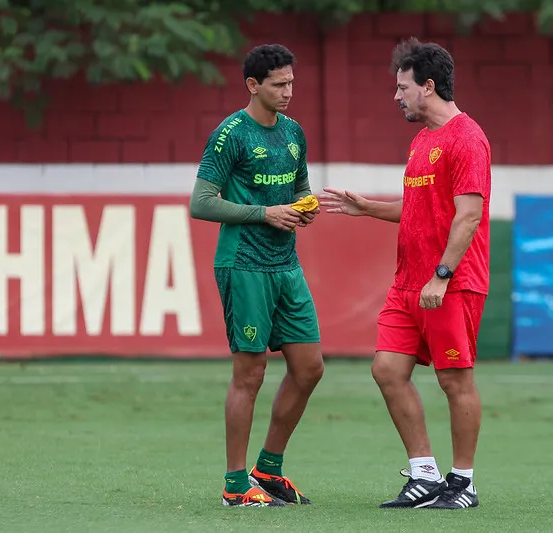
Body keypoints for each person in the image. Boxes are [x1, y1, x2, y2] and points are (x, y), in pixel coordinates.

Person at [319, 37, 491, 510]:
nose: (396, 96)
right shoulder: (421, 141)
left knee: (455, 381)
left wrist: (441, 275)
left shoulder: (467, 138)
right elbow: (419, 209)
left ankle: (463, 483)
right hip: (408, 282)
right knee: (387, 369)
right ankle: (424, 474)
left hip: (449, 282)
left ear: (428, 86)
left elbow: (468, 215)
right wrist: (366, 208)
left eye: (402, 87)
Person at [189, 43, 323, 508]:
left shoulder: (293, 133)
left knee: (309, 368)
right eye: (279, 84)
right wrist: (265, 212)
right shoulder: (230, 134)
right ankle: (233, 483)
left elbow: (300, 187)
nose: (288, 92)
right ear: (253, 85)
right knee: (251, 373)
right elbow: (201, 202)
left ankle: (267, 470)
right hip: (243, 263)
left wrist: (304, 209)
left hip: (286, 265)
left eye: (291, 83)